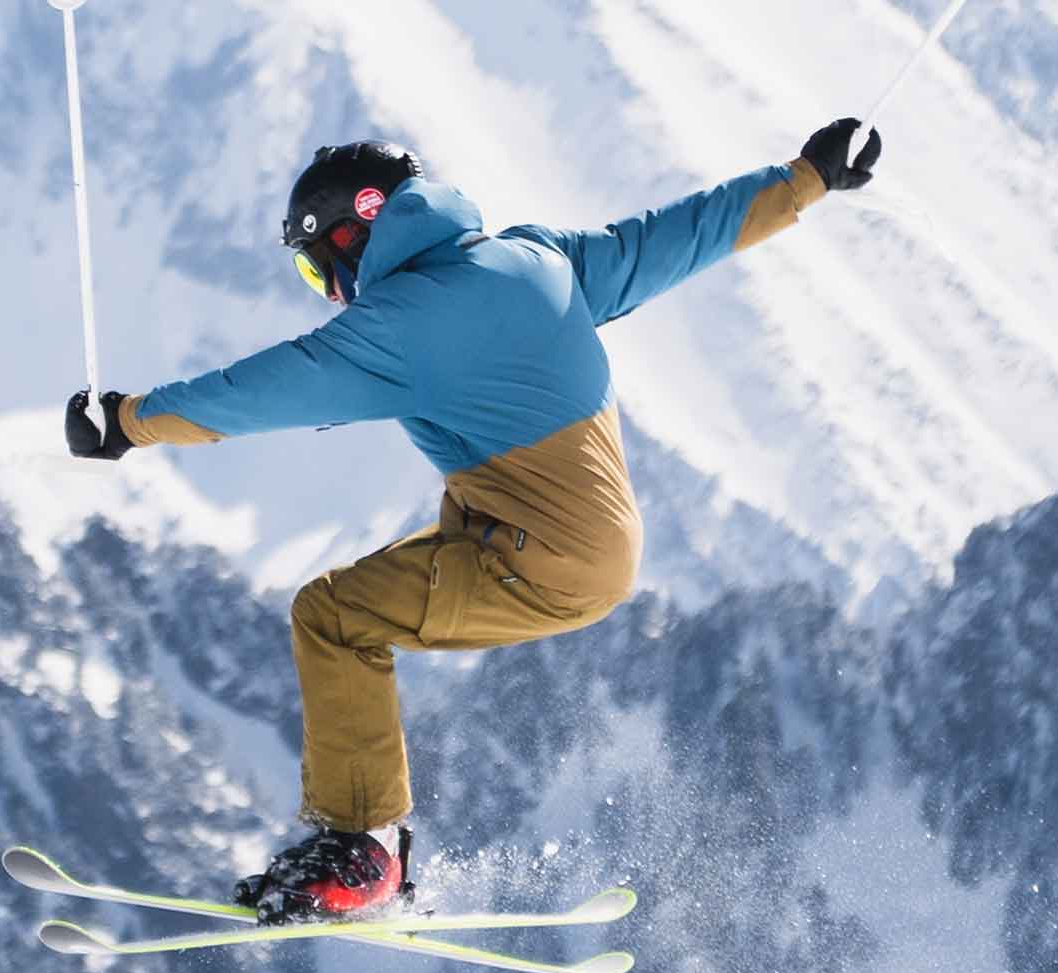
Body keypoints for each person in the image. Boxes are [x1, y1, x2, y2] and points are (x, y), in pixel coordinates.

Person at [62, 119, 885, 920]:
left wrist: (128, 421)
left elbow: (262, 391)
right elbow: (676, 237)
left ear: (353, 235)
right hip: (557, 540)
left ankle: (365, 851)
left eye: (318, 270)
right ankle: (368, 844)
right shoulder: (539, 259)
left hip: (536, 556)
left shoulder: (397, 326)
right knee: (365, 588)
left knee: (335, 617)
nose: (331, 291)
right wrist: (806, 178)